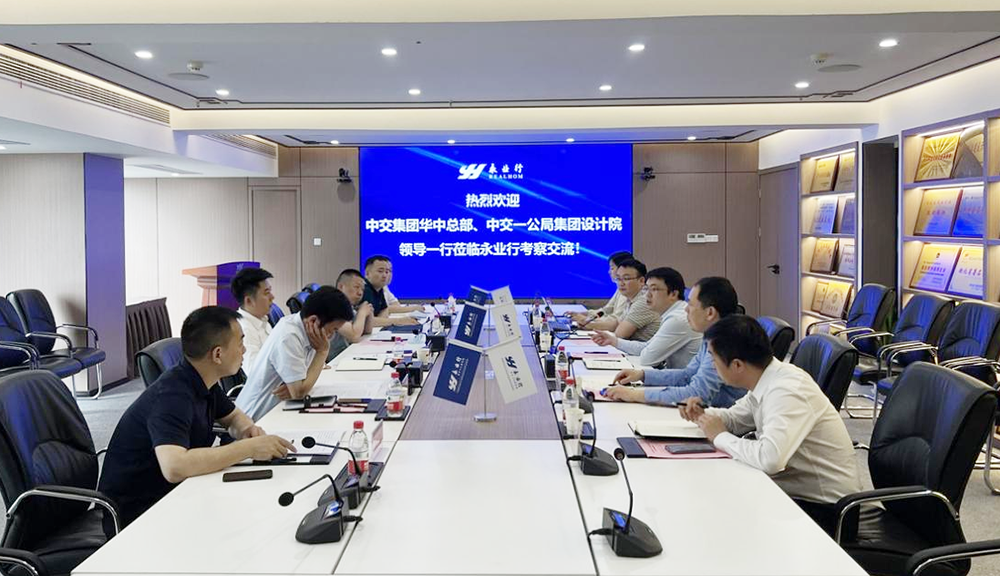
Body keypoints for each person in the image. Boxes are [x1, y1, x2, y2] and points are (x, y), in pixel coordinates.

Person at [98, 306, 295, 530]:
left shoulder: (203, 379)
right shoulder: (172, 396)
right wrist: (249, 448)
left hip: (178, 494)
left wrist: (248, 430)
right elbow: (174, 467)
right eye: (240, 342)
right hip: (139, 515)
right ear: (218, 354)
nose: (244, 350)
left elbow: (232, 416)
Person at [678, 314, 861, 534]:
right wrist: (702, 413)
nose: (712, 366)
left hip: (828, 512)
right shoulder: (768, 378)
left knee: (715, 510)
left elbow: (770, 459)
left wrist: (719, 436)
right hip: (794, 494)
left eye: (713, 359)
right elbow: (735, 419)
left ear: (737, 365)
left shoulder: (786, 390)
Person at [603, 276, 745, 408]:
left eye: (691, 304)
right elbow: (688, 375)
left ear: (710, 313)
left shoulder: (724, 342)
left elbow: (697, 394)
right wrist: (642, 375)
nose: (686, 309)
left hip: (726, 418)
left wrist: (636, 395)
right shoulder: (712, 335)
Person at [235, 286, 354, 421]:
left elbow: (302, 384)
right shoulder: (289, 336)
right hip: (254, 420)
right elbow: (299, 394)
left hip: (279, 411)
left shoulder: (307, 330)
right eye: (333, 329)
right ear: (313, 321)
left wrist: (299, 383)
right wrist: (322, 352)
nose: (331, 336)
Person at [591, 266, 700, 368]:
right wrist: (614, 341)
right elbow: (648, 347)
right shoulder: (673, 313)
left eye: (654, 289)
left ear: (673, 294)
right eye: (646, 289)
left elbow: (647, 358)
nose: (647, 295)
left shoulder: (677, 319)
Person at [569, 251, 632, 330]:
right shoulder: (620, 288)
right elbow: (605, 311)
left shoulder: (629, 291)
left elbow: (615, 320)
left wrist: (588, 321)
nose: (609, 272)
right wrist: (586, 314)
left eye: (612, 268)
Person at [230, 267, 275, 373]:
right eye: (266, 292)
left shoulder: (261, 319)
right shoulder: (244, 330)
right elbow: (255, 373)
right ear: (249, 301)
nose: (272, 297)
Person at [329, 268, 374, 360]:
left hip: (343, 355)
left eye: (362, 289)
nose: (360, 293)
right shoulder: (332, 304)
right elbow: (354, 336)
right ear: (341, 287)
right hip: (331, 361)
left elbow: (367, 331)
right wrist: (362, 313)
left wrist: (369, 312)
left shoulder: (348, 306)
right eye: (356, 287)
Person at [362, 255, 419, 326]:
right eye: (380, 271)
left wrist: (380, 322)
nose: (385, 275)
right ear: (367, 273)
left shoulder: (380, 288)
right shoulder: (364, 289)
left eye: (388, 271)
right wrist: (399, 321)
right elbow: (366, 321)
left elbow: (384, 310)